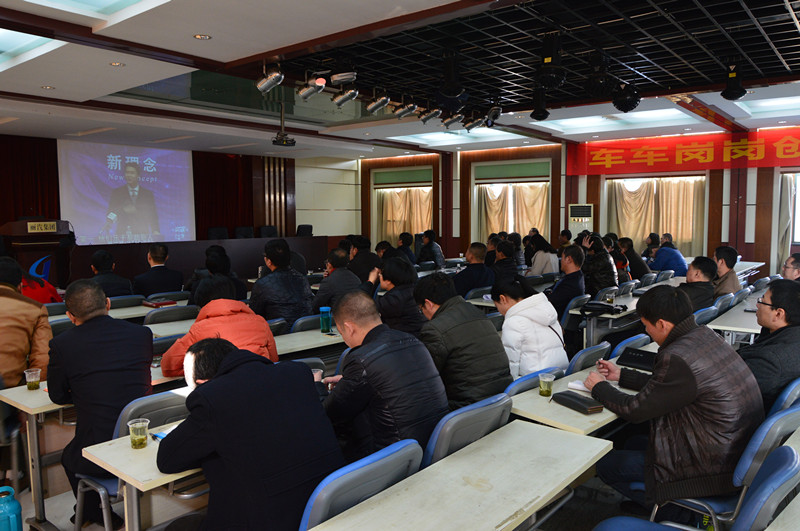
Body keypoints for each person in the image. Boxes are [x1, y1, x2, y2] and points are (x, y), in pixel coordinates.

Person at [584, 286, 763, 514]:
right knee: (633, 443)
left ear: (662, 324)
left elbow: (635, 410)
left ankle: (672, 512)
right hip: (728, 452)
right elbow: (674, 387)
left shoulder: (676, 355)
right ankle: (657, 504)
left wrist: (598, 387)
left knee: (606, 465)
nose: (647, 332)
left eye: (646, 326)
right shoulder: (705, 335)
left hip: (706, 469)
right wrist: (622, 375)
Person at [157, 338, 345, 530]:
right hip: (328, 505)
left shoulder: (213, 398)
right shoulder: (296, 372)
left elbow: (167, 459)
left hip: (269, 519)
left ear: (203, 383)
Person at [48, 279, 153, 528]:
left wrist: (84, 391)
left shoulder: (63, 344)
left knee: (70, 456)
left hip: (102, 451)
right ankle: (91, 511)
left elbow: (57, 395)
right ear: (107, 303)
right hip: (143, 438)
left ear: (70, 316)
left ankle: (93, 512)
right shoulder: (141, 334)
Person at [319, 292, 448, 461]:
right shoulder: (412, 340)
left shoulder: (360, 358)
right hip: (435, 442)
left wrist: (318, 387)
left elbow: (329, 413)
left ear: (349, 328)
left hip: (397, 456)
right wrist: (348, 381)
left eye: (341, 332)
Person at [414, 273, 512, 409]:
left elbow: (427, 377)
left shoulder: (434, 329)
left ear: (428, 304)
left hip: (467, 406)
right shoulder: (477, 312)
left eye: (421, 310)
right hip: (501, 397)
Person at [162, 274, 278, 377]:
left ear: (201, 304)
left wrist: (197, 371)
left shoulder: (200, 329)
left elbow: (168, 366)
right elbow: (273, 359)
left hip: (225, 389)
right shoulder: (260, 321)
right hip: (261, 382)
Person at [738, 280, 800, 412]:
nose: (757, 304)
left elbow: (725, 388)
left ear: (778, 313)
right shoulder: (791, 336)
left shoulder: (770, 361)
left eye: (762, 301)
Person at [491, 276, 568, 378]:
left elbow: (511, 365)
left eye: (497, 306)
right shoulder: (547, 310)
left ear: (503, 299)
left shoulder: (513, 322)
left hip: (533, 381)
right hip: (559, 374)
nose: (499, 311)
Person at [0, 257, 51, 388]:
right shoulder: (35, 309)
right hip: (10, 391)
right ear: (20, 286)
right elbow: (43, 358)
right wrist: (33, 390)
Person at [249, 239, 313, 327]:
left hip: (279, 331)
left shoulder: (262, 284)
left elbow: (254, 314)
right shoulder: (302, 279)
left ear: (268, 261)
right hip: (306, 329)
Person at [361, 257, 428, 337]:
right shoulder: (413, 291)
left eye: (381, 274)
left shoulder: (394, 299)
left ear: (388, 281)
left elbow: (361, 306)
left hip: (405, 340)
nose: (379, 276)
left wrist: (370, 282)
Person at [105, 162, 159, 239]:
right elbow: (110, 213)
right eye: (127, 172)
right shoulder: (117, 192)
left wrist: (155, 230)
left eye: (132, 173)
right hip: (122, 234)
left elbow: (153, 215)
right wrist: (121, 210)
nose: (129, 175)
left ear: (138, 175)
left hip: (142, 233)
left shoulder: (147, 194)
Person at [312, 248, 361, 313]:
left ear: (329, 264)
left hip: (338, 317)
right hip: (357, 315)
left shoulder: (329, 281)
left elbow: (316, 306)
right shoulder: (356, 278)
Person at [545, 244, 586, 320]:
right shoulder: (577, 277)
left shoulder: (570, 284)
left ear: (568, 259)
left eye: (562, 258)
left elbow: (548, 300)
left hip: (554, 320)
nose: (561, 261)